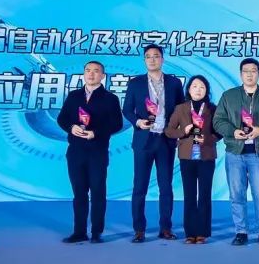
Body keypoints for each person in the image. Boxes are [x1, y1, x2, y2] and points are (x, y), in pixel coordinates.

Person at [213, 57, 259, 246]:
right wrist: (232, 131)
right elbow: (218, 121)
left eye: (253, 71)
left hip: (258, 153)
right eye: (246, 71)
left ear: (258, 73)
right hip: (235, 153)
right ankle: (241, 231)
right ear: (240, 74)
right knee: (237, 195)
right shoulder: (229, 96)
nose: (249, 74)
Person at [123, 45, 185, 243]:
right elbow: (127, 110)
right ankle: (139, 230)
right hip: (144, 140)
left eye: (156, 56)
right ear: (144, 61)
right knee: (139, 186)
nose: (152, 60)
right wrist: (137, 122)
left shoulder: (174, 83)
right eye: (148, 57)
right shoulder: (135, 83)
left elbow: (182, 110)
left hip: (166, 140)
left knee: (166, 186)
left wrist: (177, 131)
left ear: (162, 59)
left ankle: (165, 228)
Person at [56, 60, 122, 244]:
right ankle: (79, 232)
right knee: (79, 193)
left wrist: (96, 133)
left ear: (103, 75)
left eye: (96, 71)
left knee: (98, 192)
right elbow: (62, 118)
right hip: (75, 151)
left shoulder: (110, 98)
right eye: (88, 70)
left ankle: (96, 232)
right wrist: (71, 127)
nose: (91, 74)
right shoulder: (74, 96)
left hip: (97, 152)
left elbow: (117, 124)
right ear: (84, 73)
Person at [164, 75, 219, 244]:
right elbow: (169, 131)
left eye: (202, 87)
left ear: (206, 90)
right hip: (186, 157)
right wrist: (184, 131)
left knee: (204, 195)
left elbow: (220, 132)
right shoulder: (180, 108)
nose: (198, 90)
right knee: (189, 195)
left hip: (206, 156)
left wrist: (207, 139)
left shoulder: (212, 109)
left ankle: (202, 232)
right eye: (194, 86)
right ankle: (190, 232)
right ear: (188, 89)